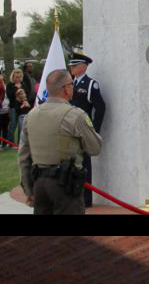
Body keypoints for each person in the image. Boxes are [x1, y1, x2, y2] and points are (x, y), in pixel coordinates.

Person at [18, 68, 103, 214]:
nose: (73, 87)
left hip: (39, 184)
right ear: (65, 88)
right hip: (65, 185)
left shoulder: (30, 116)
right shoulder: (75, 115)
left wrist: (28, 189)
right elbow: (95, 148)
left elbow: (23, 156)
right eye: (71, 84)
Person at [68, 50, 106, 209]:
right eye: (71, 66)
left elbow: (100, 107)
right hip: (68, 129)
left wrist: (94, 130)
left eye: (75, 66)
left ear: (84, 67)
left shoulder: (90, 84)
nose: (72, 68)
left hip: (83, 129)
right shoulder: (69, 83)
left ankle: (86, 198)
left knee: (84, 164)